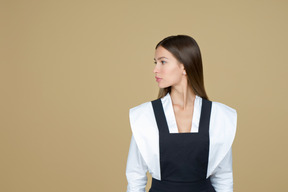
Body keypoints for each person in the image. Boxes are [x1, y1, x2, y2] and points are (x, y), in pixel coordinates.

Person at [125, 35, 237, 192]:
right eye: (155, 62)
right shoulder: (145, 116)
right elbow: (135, 176)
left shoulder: (219, 116)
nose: (155, 69)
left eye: (163, 62)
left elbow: (223, 177)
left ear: (184, 66)